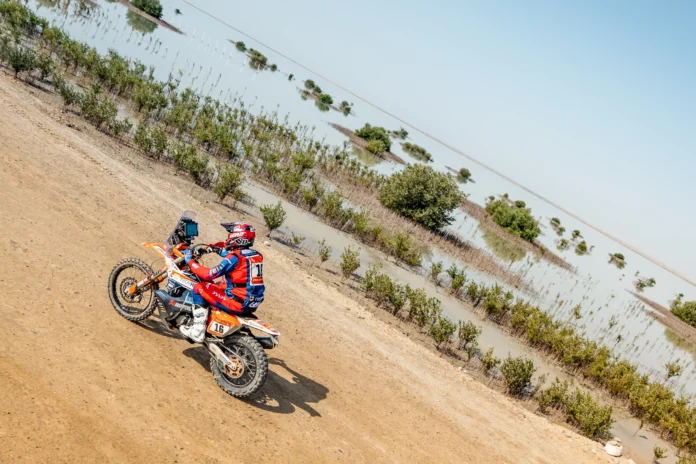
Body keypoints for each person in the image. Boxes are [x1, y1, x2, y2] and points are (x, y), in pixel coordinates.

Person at [179, 222, 265, 342]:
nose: (228, 238)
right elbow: (234, 258)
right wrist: (215, 249)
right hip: (252, 301)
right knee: (220, 284)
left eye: (230, 234)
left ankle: (197, 331)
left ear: (237, 237)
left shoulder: (234, 258)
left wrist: (190, 261)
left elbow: (208, 274)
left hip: (237, 302)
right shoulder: (256, 255)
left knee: (199, 287)